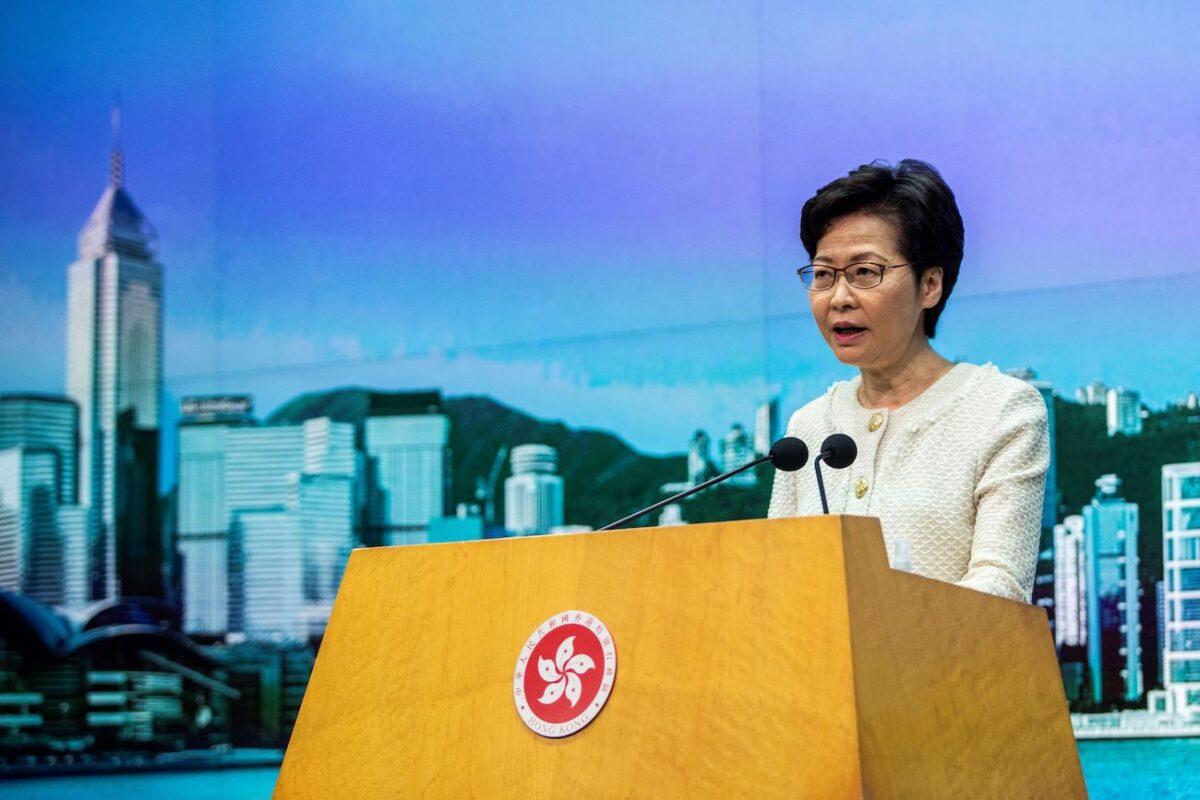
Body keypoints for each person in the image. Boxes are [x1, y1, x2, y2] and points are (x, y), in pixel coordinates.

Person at [767, 159, 1049, 603]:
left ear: (930, 285)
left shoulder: (1001, 410)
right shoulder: (808, 429)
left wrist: (891, 628)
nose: (839, 298)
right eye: (823, 275)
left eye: (865, 272)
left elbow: (1001, 586)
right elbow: (775, 579)